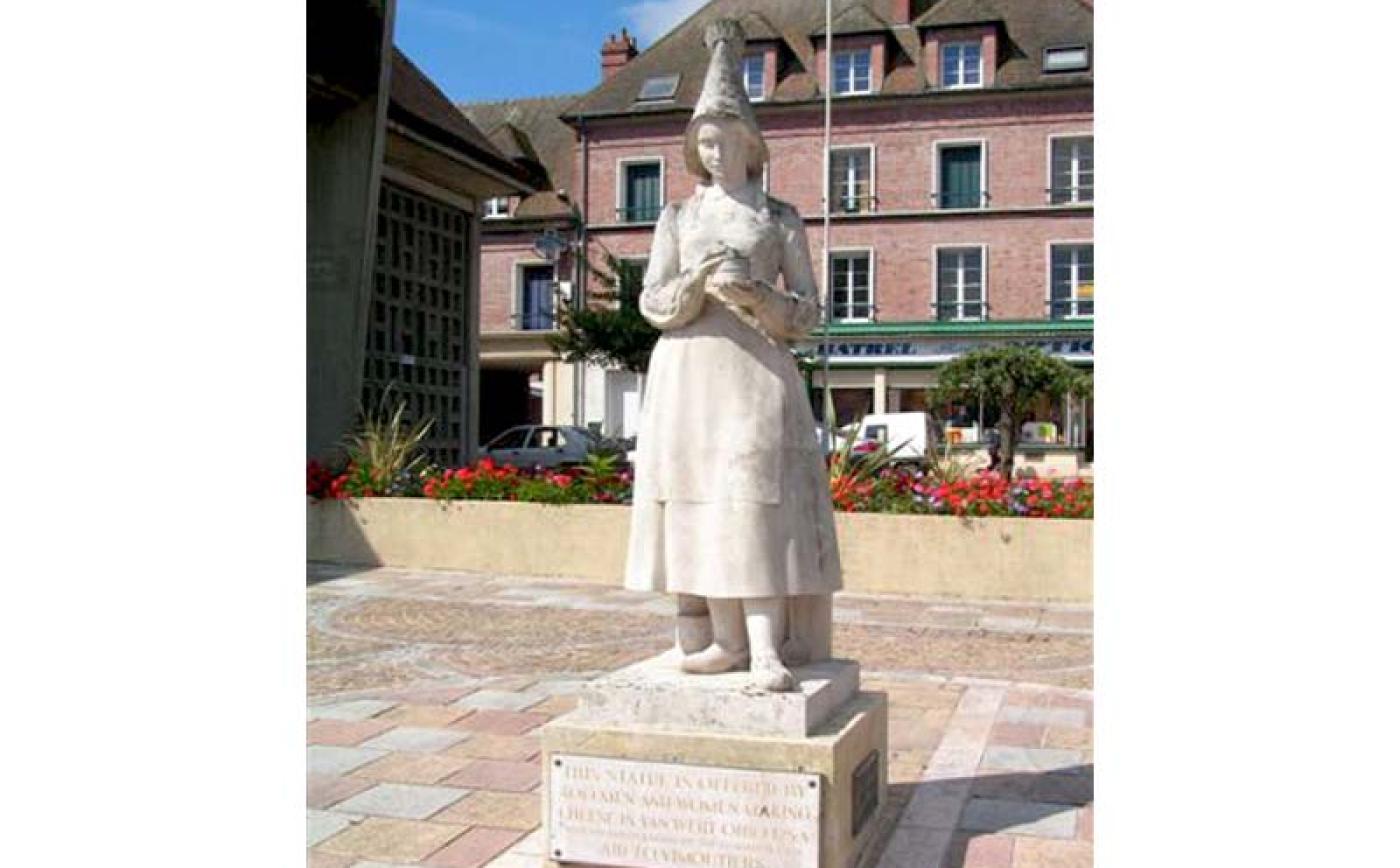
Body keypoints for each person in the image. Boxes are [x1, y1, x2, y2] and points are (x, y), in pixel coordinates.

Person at [623, 19, 842, 693]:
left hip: (754, 370)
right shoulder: (677, 220)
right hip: (687, 371)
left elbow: (810, 312)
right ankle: (720, 639)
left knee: (753, 502)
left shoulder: (780, 219)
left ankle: (766, 647)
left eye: (726, 140)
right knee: (699, 503)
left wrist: (756, 296)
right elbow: (652, 301)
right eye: (705, 142)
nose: (715, 153)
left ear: (752, 143)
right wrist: (693, 285)